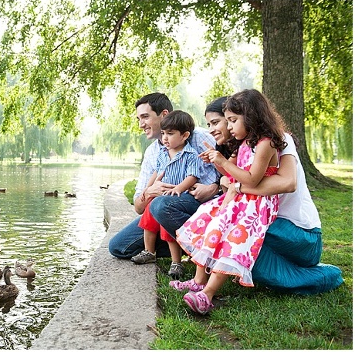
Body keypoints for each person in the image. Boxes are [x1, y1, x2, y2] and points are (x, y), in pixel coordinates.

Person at [172, 97, 343, 298]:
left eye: (221, 121)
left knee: (238, 237)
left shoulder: (278, 139)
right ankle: (202, 283)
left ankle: (327, 275)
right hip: (271, 226)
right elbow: (229, 180)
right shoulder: (243, 146)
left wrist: (236, 186)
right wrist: (226, 177)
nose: (214, 129)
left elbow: (287, 183)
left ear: (249, 117)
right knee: (230, 237)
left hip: (297, 231)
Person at [173, 89, 288, 314]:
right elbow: (232, 176)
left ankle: (207, 294)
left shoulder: (266, 143)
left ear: (252, 116)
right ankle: (198, 281)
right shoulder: (243, 143)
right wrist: (217, 161)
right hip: (239, 198)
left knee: (233, 239)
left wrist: (224, 163)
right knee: (209, 221)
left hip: (257, 203)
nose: (230, 127)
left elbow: (252, 180)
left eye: (233, 121)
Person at [108, 93, 220, 259]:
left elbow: (232, 168)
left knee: (161, 205)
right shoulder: (153, 153)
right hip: (165, 209)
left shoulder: (200, 137)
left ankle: (206, 247)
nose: (141, 124)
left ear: (164, 114)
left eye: (145, 117)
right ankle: (187, 245)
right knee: (118, 247)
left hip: (201, 207)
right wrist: (150, 191)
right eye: (138, 119)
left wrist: (214, 187)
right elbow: (139, 207)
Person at [130, 110, 204, 279]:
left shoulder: (190, 155)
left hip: (176, 197)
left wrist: (179, 188)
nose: (165, 138)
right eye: (163, 133)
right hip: (160, 195)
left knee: (166, 227)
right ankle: (149, 251)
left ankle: (176, 261)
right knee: (148, 220)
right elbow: (157, 172)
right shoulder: (163, 153)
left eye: (170, 134)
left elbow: (193, 176)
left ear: (185, 135)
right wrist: (146, 191)